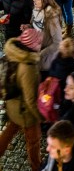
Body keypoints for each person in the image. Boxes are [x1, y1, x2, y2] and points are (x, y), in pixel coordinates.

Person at [0, 32, 42, 170]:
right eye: (38, 43)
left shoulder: (14, 53)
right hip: (25, 112)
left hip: (12, 106)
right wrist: (41, 116)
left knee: (10, 131)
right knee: (34, 141)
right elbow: (30, 99)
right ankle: (37, 166)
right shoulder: (28, 66)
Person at [32, 0, 62, 77]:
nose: (34, 0)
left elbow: (57, 42)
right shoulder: (36, 12)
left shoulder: (52, 17)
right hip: (37, 58)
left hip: (47, 62)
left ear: (44, 1)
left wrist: (41, 53)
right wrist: (27, 26)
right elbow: (35, 27)